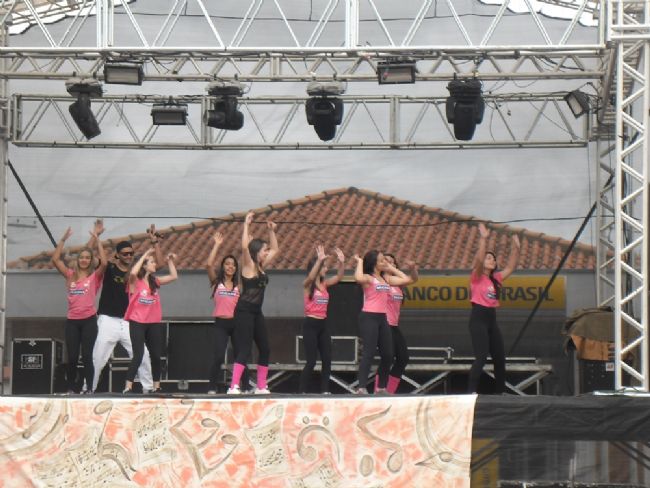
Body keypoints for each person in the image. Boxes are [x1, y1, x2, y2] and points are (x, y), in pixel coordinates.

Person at [91, 223, 162, 393]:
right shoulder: (109, 268)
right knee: (98, 357)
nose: (129, 256)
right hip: (108, 319)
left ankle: (148, 389)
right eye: (125, 254)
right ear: (117, 255)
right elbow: (91, 259)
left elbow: (159, 263)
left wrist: (155, 243)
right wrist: (95, 238)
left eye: (131, 253)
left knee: (143, 355)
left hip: (129, 321)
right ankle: (89, 389)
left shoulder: (138, 273)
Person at [227, 211, 279, 395]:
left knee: (265, 348)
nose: (267, 253)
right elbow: (244, 247)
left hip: (257, 312)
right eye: (264, 250)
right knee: (245, 349)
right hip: (244, 311)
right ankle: (233, 386)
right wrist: (246, 224)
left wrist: (271, 231)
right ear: (257, 252)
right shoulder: (248, 265)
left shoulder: (261, 267)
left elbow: (276, 250)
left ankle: (261, 386)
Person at [51, 225, 107, 393]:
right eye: (81, 257)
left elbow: (104, 263)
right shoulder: (70, 275)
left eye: (87, 258)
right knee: (73, 357)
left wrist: (97, 240)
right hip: (72, 322)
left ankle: (89, 389)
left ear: (90, 261)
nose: (84, 260)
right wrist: (63, 239)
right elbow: (55, 260)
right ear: (78, 260)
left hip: (89, 321)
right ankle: (71, 389)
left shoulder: (94, 276)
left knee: (87, 356)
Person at [467, 222, 520, 394]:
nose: (492, 260)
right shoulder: (477, 276)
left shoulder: (496, 278)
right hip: (478, 319)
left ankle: (500, 392)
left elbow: (511, 267)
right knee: (481, 357)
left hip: (491, 319)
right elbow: (479, 260)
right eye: (489, 258)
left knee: (499, 358)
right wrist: (483, 239)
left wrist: (516, 248)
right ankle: (470, 392)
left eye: (494, 259)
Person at [353, 250, 411, 394]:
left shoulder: (386, 279)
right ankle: (361, 388)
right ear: (374, 264)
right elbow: (358, 277)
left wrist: (391, 268)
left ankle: (381, 387)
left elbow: (406, 279)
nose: (384, 262)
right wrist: (360, 262)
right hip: (369, 317)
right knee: (369, 352)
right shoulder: (369, 278)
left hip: (382, 318)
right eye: (381, 260)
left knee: (388, 354)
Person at [123, 248, 178, 394]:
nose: (155, 264)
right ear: (144, 265)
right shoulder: (135, 281)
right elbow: (133, 272)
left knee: (155, 355)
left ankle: (156, 386)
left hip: (153, 322)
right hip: (137, 322)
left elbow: (173, 276)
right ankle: (128, 387)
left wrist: (170, 261)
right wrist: (145, 255)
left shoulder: (154, 281)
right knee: (139, 355)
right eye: (152, 262)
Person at [299, 244, 345, 394]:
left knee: (327, 359)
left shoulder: (325, 284)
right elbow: (311, 277)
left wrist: (341, 262)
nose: (326, 269)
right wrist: (319, 261)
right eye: (324, 267)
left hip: (323, 325)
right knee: (311, 361)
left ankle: (325, 390)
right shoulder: (307, 285)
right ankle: (302, 391)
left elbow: (339, 277)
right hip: (310, 325)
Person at [206, 231, 241, 394]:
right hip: (220, 323)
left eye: (233, 265)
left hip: (236, 323)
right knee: (219, 356)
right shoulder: (216, 282)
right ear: (223, 266)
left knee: (240, 356)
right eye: (227, 264)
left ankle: (242, 386)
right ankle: (211, 387)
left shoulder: (239, 285)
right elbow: (208, 265)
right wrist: (217, 245)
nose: (230, 267)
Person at [380, 253, 418, 394]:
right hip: (384, 324)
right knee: (387, 357)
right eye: (386, 261)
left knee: (403, 358)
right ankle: (379, 389)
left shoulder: (396, 283)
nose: (389, 264)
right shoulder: (382, 280)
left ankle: (389, 391)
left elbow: (412, 279)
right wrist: (390, 268)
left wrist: (412, 268)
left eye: (392, 262)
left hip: (394, 325)